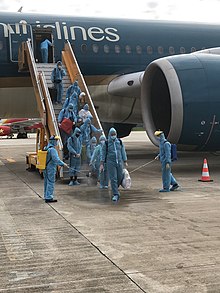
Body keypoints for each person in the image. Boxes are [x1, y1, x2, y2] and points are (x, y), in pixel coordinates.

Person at [100, 128, 128, 201]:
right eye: (112, 134)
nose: (113, 136)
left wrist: (125, 160)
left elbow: (123, 151)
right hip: (110, 162)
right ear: (109, 135)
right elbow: (103, 154)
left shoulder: (119, 142)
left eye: (114, 134)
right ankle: (115, 194)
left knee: (120, 176)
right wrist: (102, 163)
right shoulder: (106, 143)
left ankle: (115, 188)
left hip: (119, 161)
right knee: (113, 178)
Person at [43, 135, 67, 203]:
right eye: (56, 140)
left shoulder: (47, 147)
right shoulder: (52, 150)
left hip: (46, 168)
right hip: (50, 168)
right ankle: (49, 197)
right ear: (53, 141)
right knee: (51, 182)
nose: (56, 141)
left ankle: (46, 195)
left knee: (46, 182)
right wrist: (63, 164)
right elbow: (56, 159)